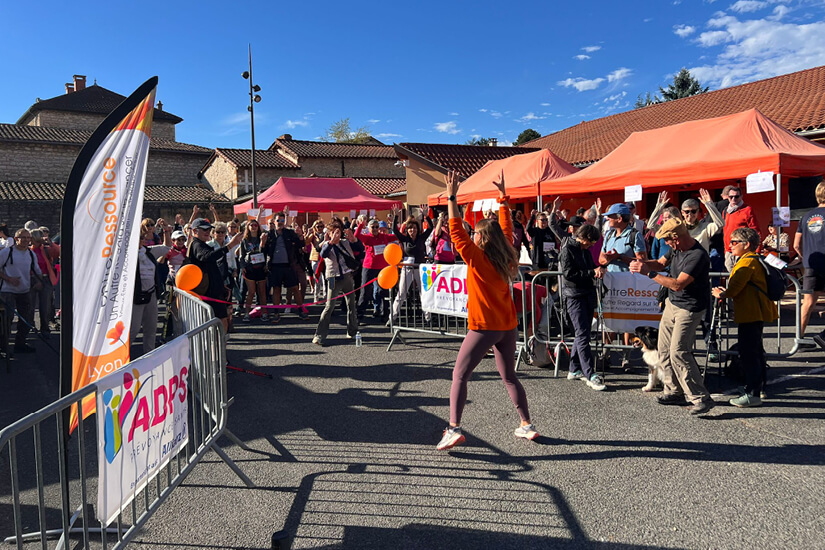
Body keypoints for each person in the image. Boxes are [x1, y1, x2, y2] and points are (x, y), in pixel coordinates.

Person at [437, 169, 538, 451]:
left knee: (459, 375)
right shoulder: (507, 256)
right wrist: (503, 200)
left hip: (484, 327)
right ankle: (526, 424)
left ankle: (453, 428)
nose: (472, 236)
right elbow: (505, 231)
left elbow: (456, 230)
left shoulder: (477, 258)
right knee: (509, 377)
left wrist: (452, 197)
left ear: (481, 238)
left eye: (476, 234)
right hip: (507, 326)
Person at [629, 218, 715, 415]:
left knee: (679, 352)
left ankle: (700, 397)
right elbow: (660, 264)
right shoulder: (676, 249)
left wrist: (648, 274)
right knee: (664, 349)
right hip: (672, 304)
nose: (666, 244)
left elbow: (678, 284)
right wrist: (641, 264)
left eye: (668, 240)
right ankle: (674, 391)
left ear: (676, 238)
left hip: (689, 308)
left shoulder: (697, 255)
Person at [712, 228, 778, 407]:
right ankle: (756, 387)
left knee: (749, 354)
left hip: (751, 312)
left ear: (746, 244)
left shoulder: (746, 262)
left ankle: (752, 393)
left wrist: (721, 293)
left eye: (734, 242)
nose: (730, 246)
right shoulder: (754, 259)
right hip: (755, 311)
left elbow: (734, 289)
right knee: (755, 351)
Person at [600, 202, 648, 369]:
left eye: (610, 217)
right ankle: (605, 354)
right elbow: (601, 258)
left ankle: (626, 357)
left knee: (627, 320)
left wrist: (620, 257)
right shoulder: (609, 235)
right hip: (610, 282)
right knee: (609, 319)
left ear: (619, 218)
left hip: (628, 284)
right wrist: (607, 259)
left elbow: (642, 260)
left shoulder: (635, 235)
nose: (607, 219)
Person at [560, 224, 607, 391]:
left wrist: (599, 269)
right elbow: (568, 274)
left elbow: (590, 268)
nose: (592, 245)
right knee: (582, 334)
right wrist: (591, 272)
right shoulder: (568, 250)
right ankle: (590, 374)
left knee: (583, 333)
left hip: (587, 294)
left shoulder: (585, 251)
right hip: (574, 296)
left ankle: (574, 369)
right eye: (591, 241)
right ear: (584, 237)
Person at [187, 218, 242, 334]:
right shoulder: (197, 244)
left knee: (222, 318)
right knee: (217, 320)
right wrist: (230, 246)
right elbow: (207, 257)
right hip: (207, 292)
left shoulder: (202, 244)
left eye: (209, 229)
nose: (207, 231)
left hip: (214, 289)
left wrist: (221, 285)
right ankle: (218, 343)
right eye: (204, 229)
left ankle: (220, 342)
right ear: (195, 231)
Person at [312, 221, 360, 345]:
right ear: (329, 233)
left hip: (347, 276)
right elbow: (323, 254)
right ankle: (319, 335)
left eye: (338, 232)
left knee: (351, 305)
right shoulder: (326, 244)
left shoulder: (345, 242)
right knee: (329, 307)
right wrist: (331, 242)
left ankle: (352, 331)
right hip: (333, 278)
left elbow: (360, 249)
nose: (336, 234)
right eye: (333, 232)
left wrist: (354, 239)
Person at [0, 229, 42, 353]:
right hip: (7, 291)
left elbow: (37, 270)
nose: (26, 240)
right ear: (16, 239)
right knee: (6, 320)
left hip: (24, 291)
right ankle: (3, 347)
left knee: (26, 318)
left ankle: (20, 344)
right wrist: (9, 279)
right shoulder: (7, 252)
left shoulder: (31, 254)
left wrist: (39, 282)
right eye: (23, 237)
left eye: (28, 238)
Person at [389, 204, 433, 324]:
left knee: (423, 293)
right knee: (401, 294)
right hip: (407, 269)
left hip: (420, 269)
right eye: (410, 229)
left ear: (417, 229)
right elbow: (395, 230)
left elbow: (430, 228)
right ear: (407, 230)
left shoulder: (421, 238)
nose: (412, 230)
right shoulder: (405, 239)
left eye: (414, 228)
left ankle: (428, 318)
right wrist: (396, 216)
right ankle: (392, 318)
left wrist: (426, 216)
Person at [794, 181, 825, 346]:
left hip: (810, 264)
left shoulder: (806, 216)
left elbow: (796, 244)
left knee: (807, 302)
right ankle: (824, 336)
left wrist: (804, 257)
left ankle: (799, 338)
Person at [264, 207, 308, 322]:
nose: (280, 223)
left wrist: (300, 236)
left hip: (289, 265)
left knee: (295, 288)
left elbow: (300, 244)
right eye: (278, 220)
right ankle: (276, 312)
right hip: (274, 266)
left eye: (282, 220)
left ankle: (300, 310)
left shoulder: (289, 233)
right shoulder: (269, 235)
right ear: (274, 221)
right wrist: (262, 243)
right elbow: (264, 250)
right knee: (276, 289)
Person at [356, 217, 397, 319]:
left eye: (376, 227)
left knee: (383, 291)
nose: (375, 229)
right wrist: (361, 225)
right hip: (369, 267)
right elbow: (356, 235)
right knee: (365, 291)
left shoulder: (384, 237)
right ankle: (360, 313)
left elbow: (397, 236)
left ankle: (384, 313)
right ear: (369, 228)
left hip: (382, 268)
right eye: (372, 227)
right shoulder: (367, 238)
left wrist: (394, 224)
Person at [131, 230, 163, 356]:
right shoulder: (127, 255)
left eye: (144, 237)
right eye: (140, 237)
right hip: (136, 296)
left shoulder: (149, 252)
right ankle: (121, 358)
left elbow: (166, 247)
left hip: (151, 294)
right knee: (134, 329)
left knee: (151, 328)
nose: (143, 239)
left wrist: (166, 231)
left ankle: (149, 356)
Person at [721, 187, 760, 272]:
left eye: (736, 196)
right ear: (728, 197)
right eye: (731, 197)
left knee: (741, 272)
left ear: (741, 196)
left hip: (742, 249)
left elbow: (755, 230)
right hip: (729, 250)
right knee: (730, 272)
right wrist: (726, 250)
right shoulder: (725, 211)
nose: (733, 199)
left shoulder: (747, 210)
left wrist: (756, 250)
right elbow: (725, 231)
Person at [238, 218, 268, 321]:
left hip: (261, 267)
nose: (254, 227)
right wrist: (242, 267)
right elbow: (241, 255)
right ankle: (246, 313)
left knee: (262, 292)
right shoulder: (245, 240)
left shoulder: (262, 237)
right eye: (252, 225)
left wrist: (262, 243)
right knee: (251, 292)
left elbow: (266, 252)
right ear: (248, 227)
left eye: (256, 225)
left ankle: (264, 313)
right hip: (249, 267)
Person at [28, 229, 56, 335]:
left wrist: (51, 243)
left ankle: (45, 328)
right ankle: (31, 327)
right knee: (30, 306)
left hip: (45, 279)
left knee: (45, 306)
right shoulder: (28, 250)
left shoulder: (46, 249)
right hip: (31, 279)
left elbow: (59, 252)